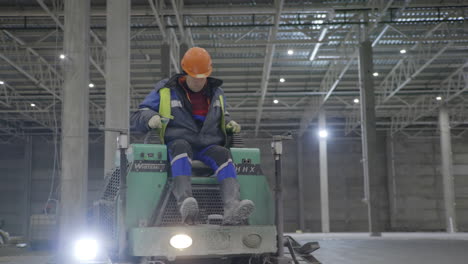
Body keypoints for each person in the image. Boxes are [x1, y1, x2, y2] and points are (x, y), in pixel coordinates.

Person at [131, 47, 254, 225]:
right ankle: (185, 202)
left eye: (202, 77)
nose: (198, 81)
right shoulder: (166, 90)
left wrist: (228, 123)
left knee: (223, 154)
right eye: (194, 77)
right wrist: (151, 118)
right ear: (185, 72)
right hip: (179, 142)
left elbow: (221, 115)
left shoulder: (217, 94)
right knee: (181, 147)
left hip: (207, 145)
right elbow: (140, 113)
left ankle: (232, 207)